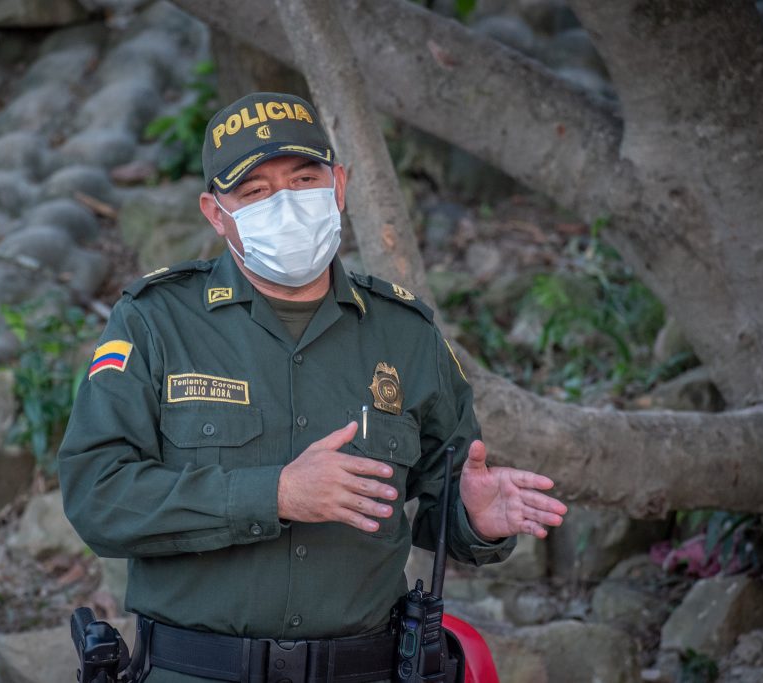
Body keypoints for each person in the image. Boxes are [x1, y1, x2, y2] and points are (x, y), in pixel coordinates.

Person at [58, 92, 567, 682]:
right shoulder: (155, 322)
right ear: (215, 212)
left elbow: (437, 501)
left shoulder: (405, 334)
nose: (287, 204)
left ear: (340, 185)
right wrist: (273, 494)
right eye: (255, 192)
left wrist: (475, 518)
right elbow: (99, 497)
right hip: (197, 670)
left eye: (304, 179)